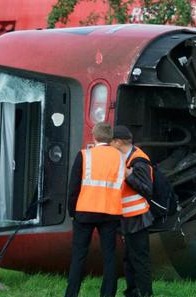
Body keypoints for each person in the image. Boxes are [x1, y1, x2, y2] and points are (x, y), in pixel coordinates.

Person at [65, 122, 125, 297]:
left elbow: (73, 187)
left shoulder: (84, 156)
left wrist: (72, 212)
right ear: (111, 138)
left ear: (94, 136)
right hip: (111, 212)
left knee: (78, 256)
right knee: (110, 256)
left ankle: (71, 294)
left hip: (85, 211)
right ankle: (108, 294)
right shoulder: (121, 158)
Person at [111, 126, 154, 297]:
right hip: (128, 217)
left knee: (140, 260)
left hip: (137, 218)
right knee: (129, 259)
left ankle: (145, 293)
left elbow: (147, 189)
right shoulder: (126, 157)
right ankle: (132, 291)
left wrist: (129, 176)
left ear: (118, 142)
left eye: (111, 141)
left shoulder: (139, 161)